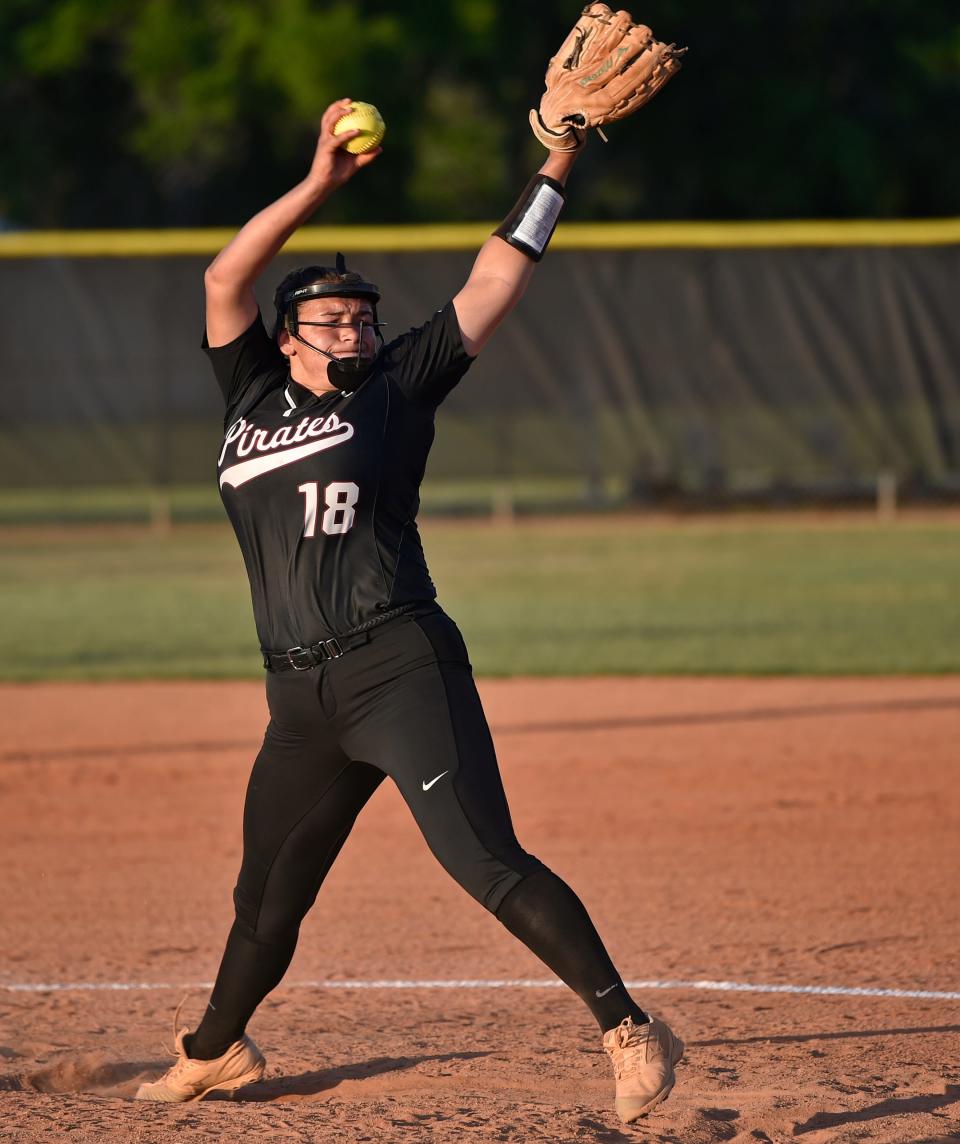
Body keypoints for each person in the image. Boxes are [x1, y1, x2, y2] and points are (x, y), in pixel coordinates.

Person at [134, 93, 684, 1123]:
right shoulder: (250, 392)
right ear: (288, 335)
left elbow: (497, 276)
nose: (354, 325)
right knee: (266, 901)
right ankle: (215, 1050)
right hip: (299, 700)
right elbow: (223, 277)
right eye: (331, 315)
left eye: (364, 314)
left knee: (484, 859)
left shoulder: (394, 388)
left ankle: (627, 1026)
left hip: (398, 664)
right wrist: (319, 184)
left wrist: (557, 163)